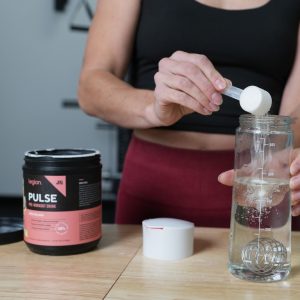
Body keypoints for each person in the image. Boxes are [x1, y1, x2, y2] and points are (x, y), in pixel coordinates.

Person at [78, 0, 300, 228]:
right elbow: (90, 87)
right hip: (152, 184)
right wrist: (152, 108)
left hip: (261, 186)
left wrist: (277, 159)